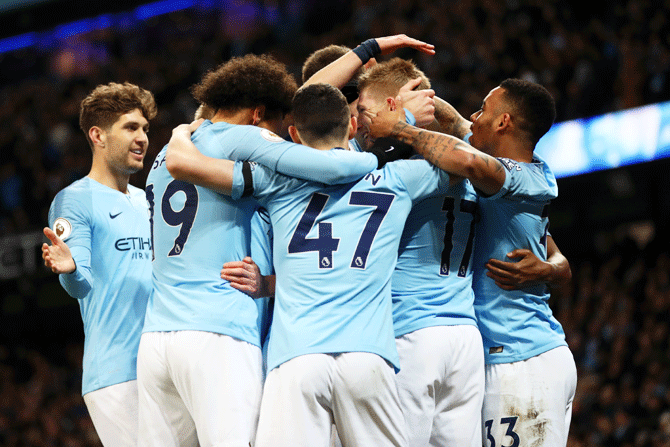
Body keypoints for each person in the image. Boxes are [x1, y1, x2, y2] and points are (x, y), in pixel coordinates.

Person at [165, 82, 464, 447]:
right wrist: (406, 122)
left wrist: (181, 132)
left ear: (292, 134)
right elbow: (465, 161)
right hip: (367, 356)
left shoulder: (273, 180)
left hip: (296, 358)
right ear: (352, 127)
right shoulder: (399, 179)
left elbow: (186, 166)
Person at [369, 78, 576, 447]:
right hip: (526, 353)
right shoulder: (515, 175)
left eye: (482, 109)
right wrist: (414, 91)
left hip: (518, 360)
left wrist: (398, 126)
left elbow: (465, 157)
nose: (472, 117)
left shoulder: (509, 177)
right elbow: (457, 126)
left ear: (503, 123)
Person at [41, 82, 157, 446]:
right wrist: (71, 269)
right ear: (98, 135)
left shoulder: (150, 200)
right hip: (116, 374)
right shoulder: (74, 200)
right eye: (131, 127)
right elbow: (80, 285)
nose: (142, 138)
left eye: (145, 129)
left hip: (163, 364)